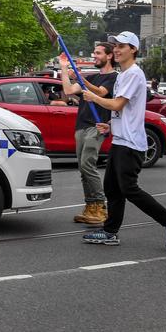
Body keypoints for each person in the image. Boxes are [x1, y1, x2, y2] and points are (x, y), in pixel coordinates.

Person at [82, 31, 166, 248]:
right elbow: (126, 111)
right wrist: (109, 126)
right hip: (120, 140)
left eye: (122, 46)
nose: (117, 50)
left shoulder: (133, 74)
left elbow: (117, 104)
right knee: (112, 188)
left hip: (130, 144)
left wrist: (94, 98)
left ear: (134, 50)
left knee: (129, 189)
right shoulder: (123, 74)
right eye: (115, 45)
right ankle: (110, 232)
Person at [59, 43, 118, 225]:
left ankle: (100, 207)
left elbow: (101, 92)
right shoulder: (91, 76)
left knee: (87, 165)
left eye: (98, 53)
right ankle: (90, 207)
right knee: (83, 169)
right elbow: (68, 91)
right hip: (81, 125)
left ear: (109, 56)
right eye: (94, 52)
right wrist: (63, 68)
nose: (95, 55)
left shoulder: (114, 77)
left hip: (97, 125)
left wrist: (81, 79)